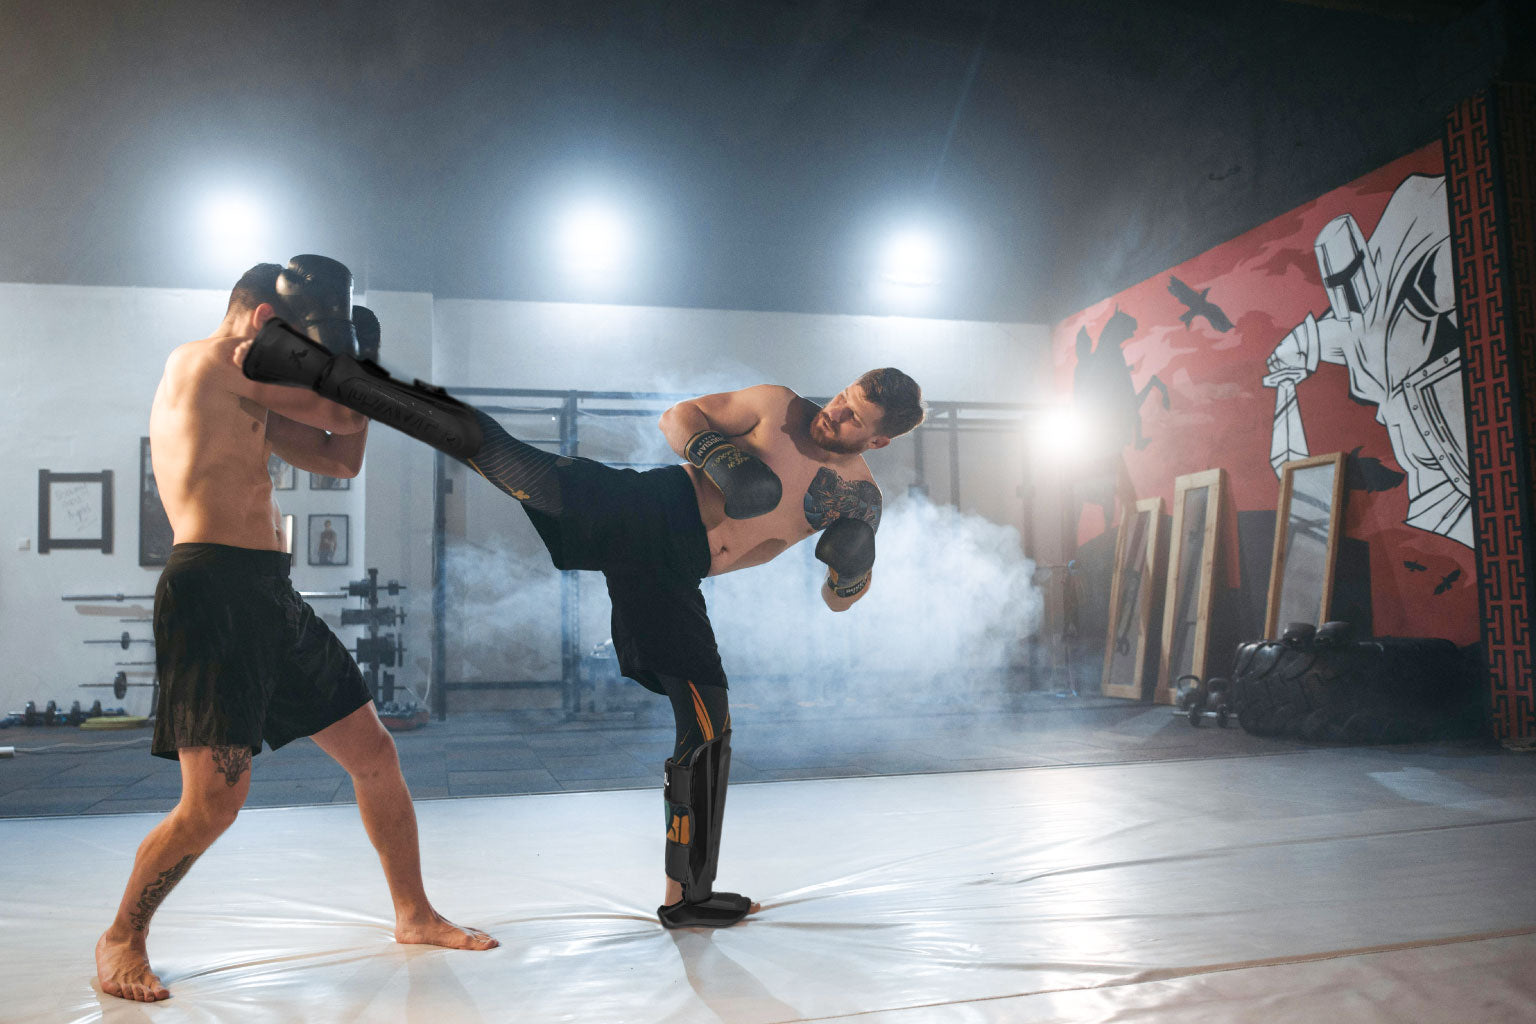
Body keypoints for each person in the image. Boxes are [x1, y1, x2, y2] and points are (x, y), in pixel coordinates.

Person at [239, 323, 924, 928]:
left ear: (880, 439)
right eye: (843, 397)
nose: (835, 412)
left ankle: (687, 897)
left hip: (675, 574)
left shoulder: (860, 499)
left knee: (710, 724)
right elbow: (678, 417)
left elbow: (839, 602)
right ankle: (330, 369)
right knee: (497, 453)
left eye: (853, 418)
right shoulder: (778, 405)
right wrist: (723, 456)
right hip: (644, 508)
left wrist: (851, 570)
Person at [95, 258, 496, 1004]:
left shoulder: (248, 397)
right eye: (297, 343)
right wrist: (354, 359)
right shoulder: (208, 362)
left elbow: (342, 454)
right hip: (213, 592)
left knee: (374, 754)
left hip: (270, 594)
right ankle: (122, 935)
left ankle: (413, 914)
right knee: (214, 802)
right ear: (263, 321)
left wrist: (356, 366)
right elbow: (343, 407)